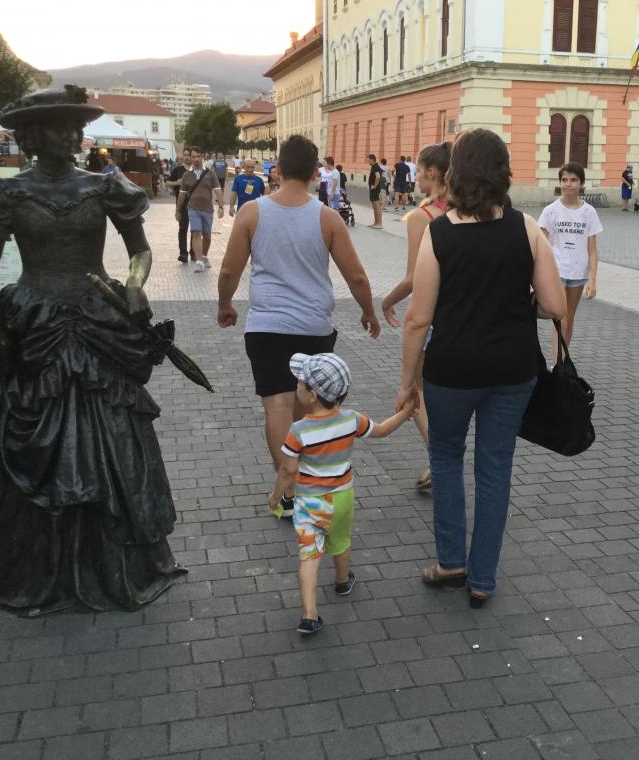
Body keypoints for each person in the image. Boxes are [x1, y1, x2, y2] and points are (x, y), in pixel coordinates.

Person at [0, 86, 187, 614]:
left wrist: (135, 284)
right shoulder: (7, 192)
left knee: (115, 438)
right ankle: (38, 568)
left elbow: (140, 250)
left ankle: (116, 562)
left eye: (74, 127)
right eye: (60, 128)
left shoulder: (103, 187)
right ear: (34, 136)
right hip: (33, 325)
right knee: (29, 441)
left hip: (95, 321)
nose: (72, 136)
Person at [396, 129, 566, 606]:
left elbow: (418, 318)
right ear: (503, 173)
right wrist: (519, 303)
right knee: (495, 469)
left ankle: (451, 562)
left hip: (451, 371)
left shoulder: (439, 232)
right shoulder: (526, 228)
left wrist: (407, 381)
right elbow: (554, 305)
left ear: (456, 172)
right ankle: (483, 579)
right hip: (512, 370)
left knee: (446, 459)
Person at [217, 134, 381, 518]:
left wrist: (225, 304)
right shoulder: (327, 217)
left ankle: (288, 490)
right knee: (305, 404)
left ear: (278, 168)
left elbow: (228, 270)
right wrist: (368, 311)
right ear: (313, 173)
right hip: (313, 327)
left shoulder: (252, 213)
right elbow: (356, 275)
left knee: (276, 403)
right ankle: (307, 478)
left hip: (266, 326)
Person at [268, 353, 414, 634]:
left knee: (309, 556)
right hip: (342, 498)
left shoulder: (298, 431)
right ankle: (343, 581)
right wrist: (406, 412)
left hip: (310, 503)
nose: (296, 385)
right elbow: (382, 430)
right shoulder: (351, 420)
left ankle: (309, 615)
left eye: (300, 383)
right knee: (341, 541)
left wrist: (275, 498)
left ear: (312, 394)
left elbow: (288, 470)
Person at [381, 142, 452, 491]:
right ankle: (443, 460)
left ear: (432, 173)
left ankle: (440, 462)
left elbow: (413, 279)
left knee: (414, 392)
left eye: (420, 170)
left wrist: (385, 301)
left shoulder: (423, 218)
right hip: (464, 320)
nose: (416, 176)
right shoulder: (469, 209)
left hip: (432, 316)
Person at [538, 162, 601, 361]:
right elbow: (541, 247)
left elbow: (592, 250)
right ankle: (557, 364)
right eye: (564, 180)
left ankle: (563, 360)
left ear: (581, 184)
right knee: (560, 318)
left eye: (573, 180)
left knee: (569, 318)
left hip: (578, 272)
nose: (568, 184)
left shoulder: (589, 212)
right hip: (557, 271)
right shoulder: (550, 211)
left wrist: (592, 280)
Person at [177, 147, 224, 273]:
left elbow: (218, 190)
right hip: (192, 208)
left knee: (207, 236)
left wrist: (221, 206)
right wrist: (178, 210)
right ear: (191, 158)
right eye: (193, 157)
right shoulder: (187, 175)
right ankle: (198, 261)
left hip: (207, 209)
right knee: (196, 232)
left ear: (202, 157)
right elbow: (182, 194)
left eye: (198, 156)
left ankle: (204, 256)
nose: (196, 159)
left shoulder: (210, 174)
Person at [166, 148, 192, 262]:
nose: (186, 157)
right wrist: (176, 182)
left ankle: (194, 251)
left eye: (188, 155)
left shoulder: (196, 169)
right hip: (182, 204)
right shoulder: (178, 169)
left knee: (195, 229)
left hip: (195, 204)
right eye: (185, 155)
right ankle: (183, 253)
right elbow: (167, 182)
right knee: (183, 228)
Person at [367, 153, 384, 229]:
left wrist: (374, 186)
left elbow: (378, 177)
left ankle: (379, 224)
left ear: (372, 159)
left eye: (368, 160)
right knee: (374, 207)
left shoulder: (376, 167)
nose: (368, 162)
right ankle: (376, 223)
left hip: (375, 190)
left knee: (377, 207)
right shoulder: (374, 167)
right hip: (373, 189)